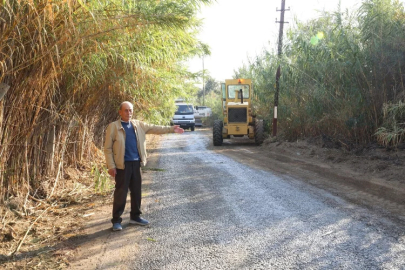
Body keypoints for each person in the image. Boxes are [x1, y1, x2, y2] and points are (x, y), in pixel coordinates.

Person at [104, 101, 184, 231]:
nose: (128, 113)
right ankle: (116, 221)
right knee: (121, 194)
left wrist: (171, 129)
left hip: (136, 163)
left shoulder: (138, 125)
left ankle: (135, 217)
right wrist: (111, 166)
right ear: (120, 112)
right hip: (122, 166)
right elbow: (107, 148)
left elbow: (155, 128)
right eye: (125, 110)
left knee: (137, 192)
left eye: (130, 110)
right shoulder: (113, 127)